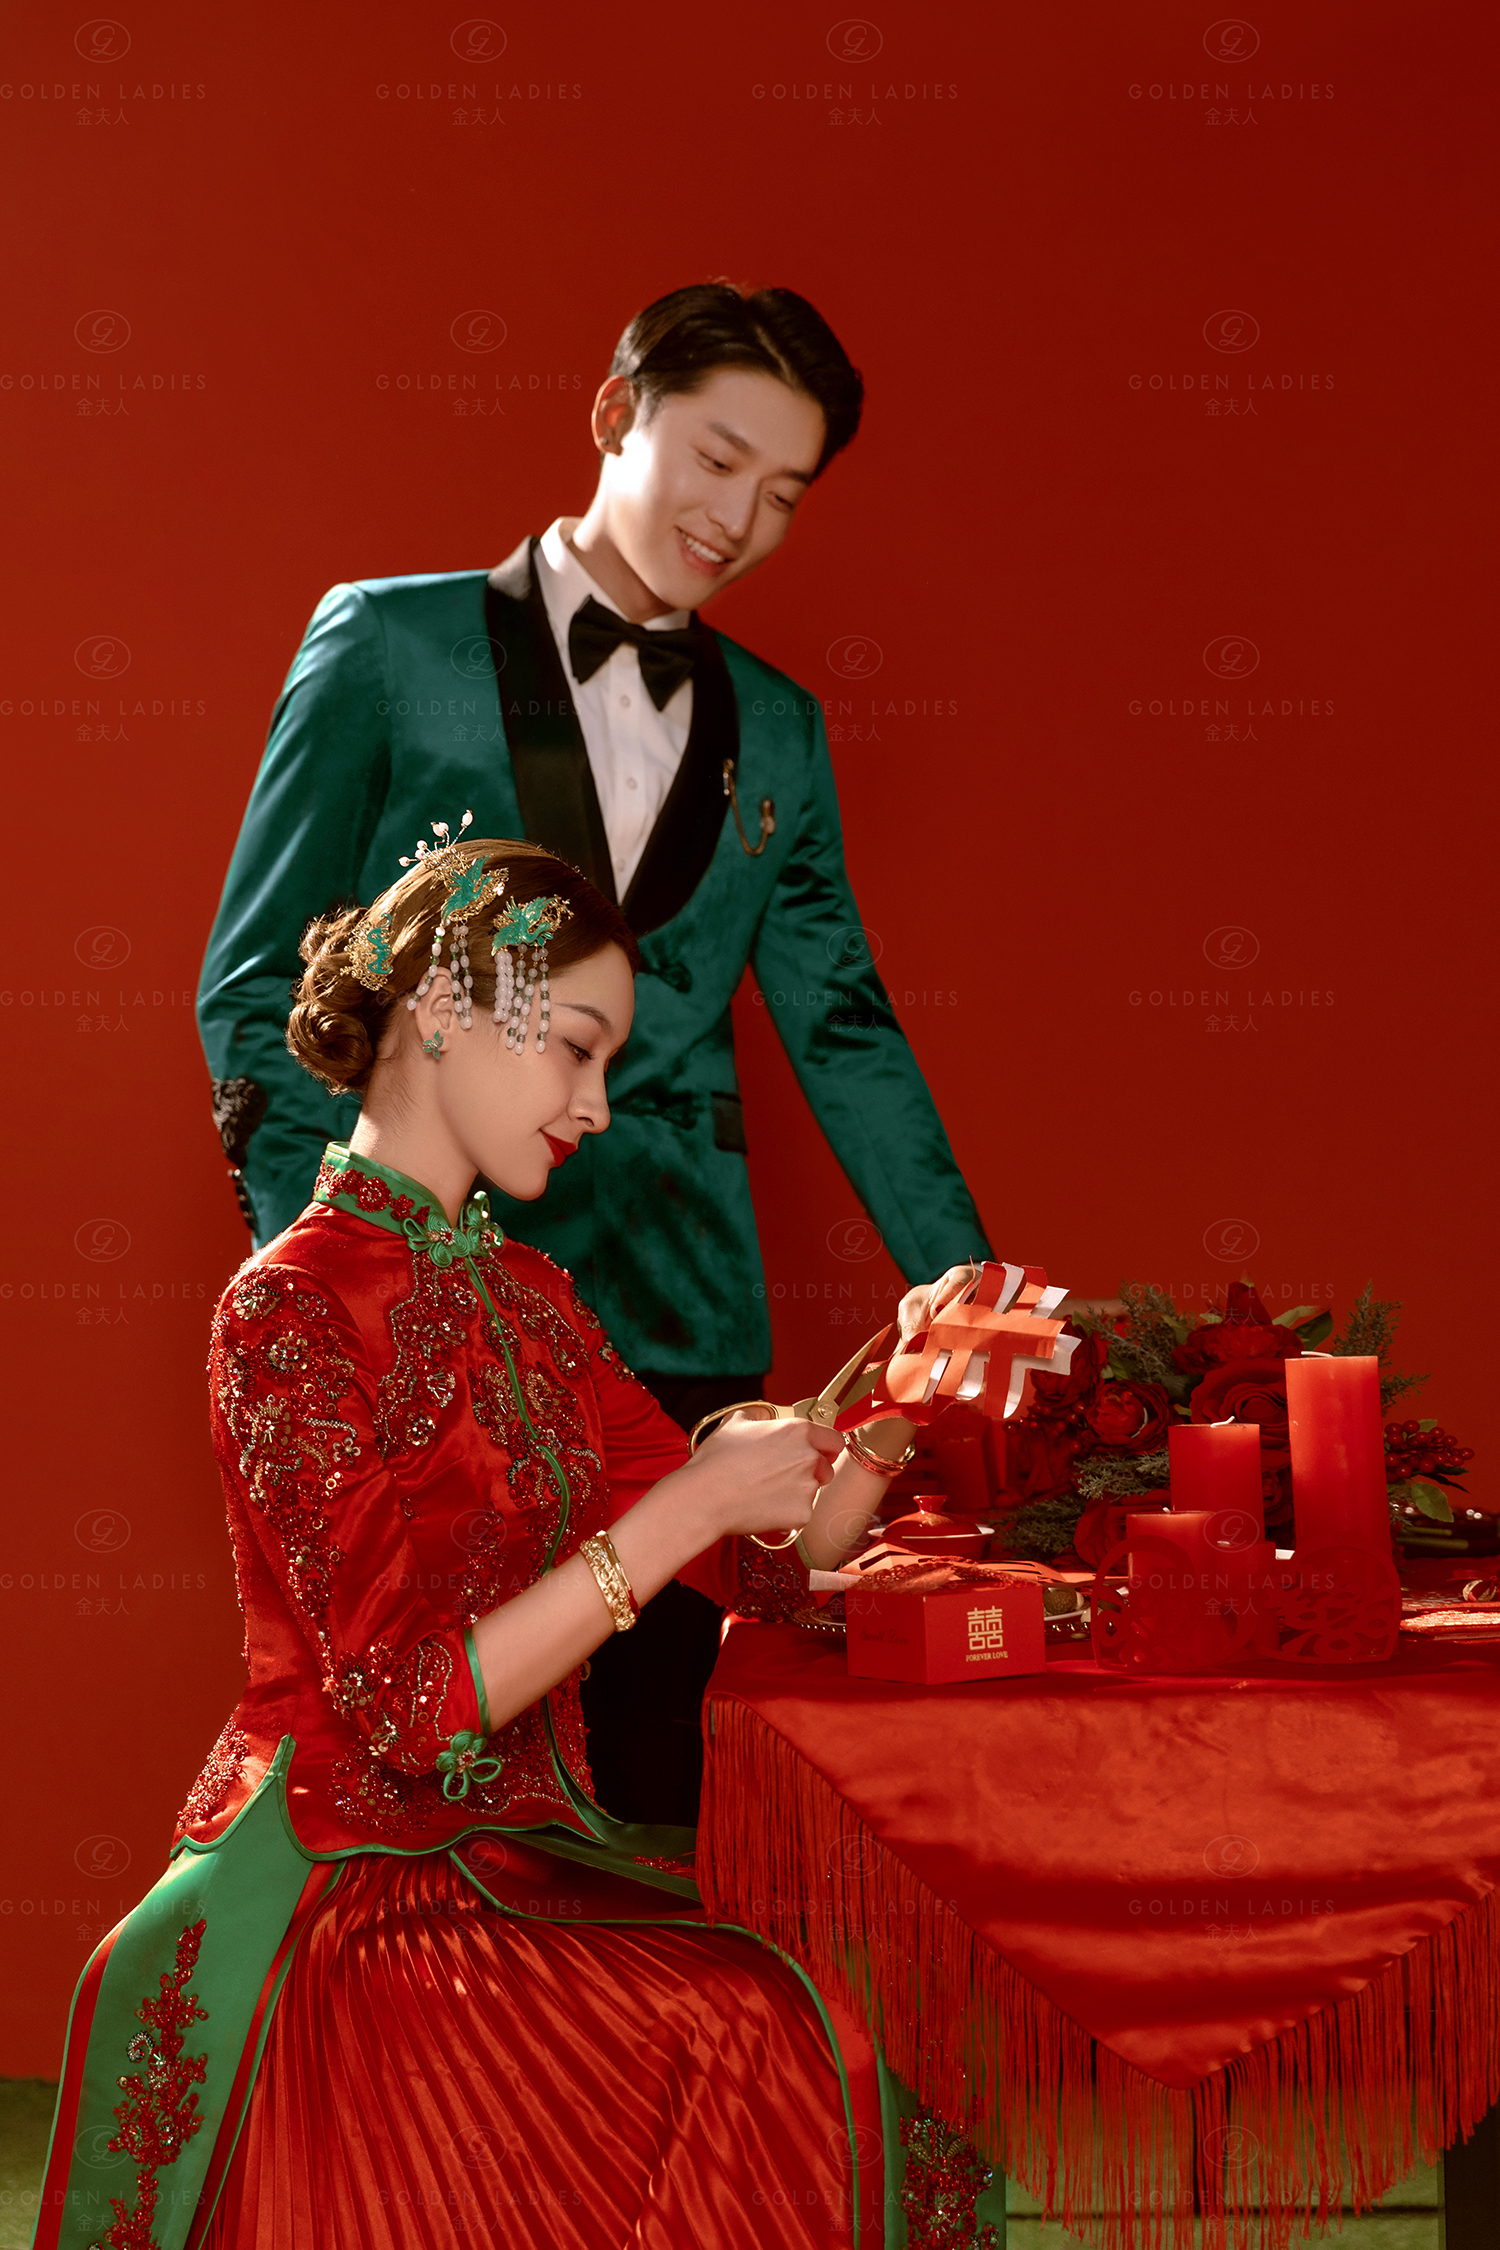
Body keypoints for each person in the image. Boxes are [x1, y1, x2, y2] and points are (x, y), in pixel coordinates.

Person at [38, 838, 941, 2250]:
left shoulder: (527, 1298)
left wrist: (901, 1396)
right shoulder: (284, 1311)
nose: (598, 1104)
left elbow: (769, 1567)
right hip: (342, 1877)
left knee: (844, 1997)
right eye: (576, 1047)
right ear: (447, 1009)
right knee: (757, 2023)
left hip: (521, 1847)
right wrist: (685, 1507)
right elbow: (406, 1712)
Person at [197, 282, 991, 1823]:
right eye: (718, 458)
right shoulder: (387, 642)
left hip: (676, 1309)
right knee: (417, 1751)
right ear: (617, 413)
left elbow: (841, 1020)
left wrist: (966, 1294)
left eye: (783, 493)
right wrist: (354, 1299)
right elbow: (252, 980)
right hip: (411, 1328)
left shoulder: (781, 726)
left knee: (665, 1785)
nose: (738, 520)